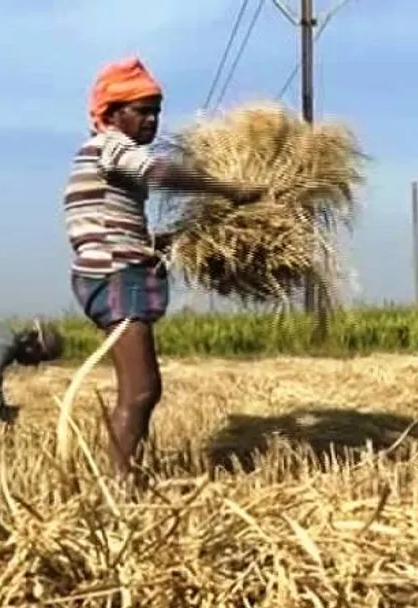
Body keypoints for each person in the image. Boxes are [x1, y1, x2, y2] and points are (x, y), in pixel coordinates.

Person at [64, 55, 265, 486]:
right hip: (115, 275)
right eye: (142, 110)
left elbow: (110, 226)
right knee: (141, 388)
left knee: (140, 389)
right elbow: (159, 171)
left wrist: (174, 241)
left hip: (117, 269)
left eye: (156, 110)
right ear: (112, 114)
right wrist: (227, 189)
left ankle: (127, 478)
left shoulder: (110, 160)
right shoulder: (109, 146)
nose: (152, 120)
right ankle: (121, 485)